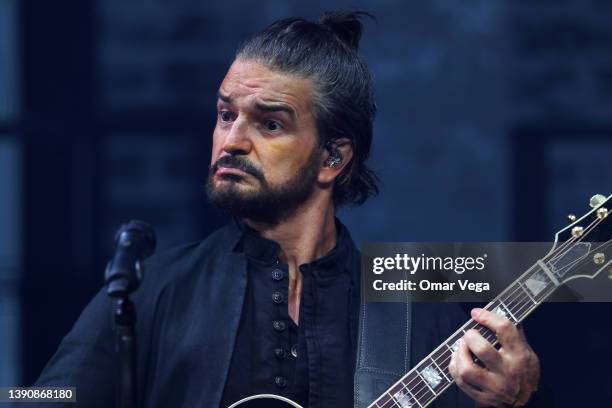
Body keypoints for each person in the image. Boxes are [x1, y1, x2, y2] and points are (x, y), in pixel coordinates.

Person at [35, 11, 540, 408]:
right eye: (225, 114)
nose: (232, 141)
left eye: (269, 124)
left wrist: (515, 401)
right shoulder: (152, 291)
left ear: (332, 158)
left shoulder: (412, 311)